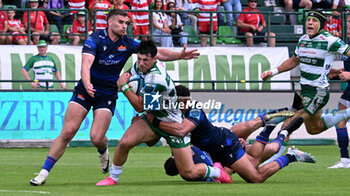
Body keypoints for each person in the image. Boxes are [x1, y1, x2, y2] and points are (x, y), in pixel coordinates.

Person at [29, 9, 200, 186]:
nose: (124, 26)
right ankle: (43, 172)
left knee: (96, 137)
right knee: (68, 131)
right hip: (85, 89)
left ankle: (103, 150)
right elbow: (86, 64)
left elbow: (156, 54)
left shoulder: (127, 43)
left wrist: (180, 55)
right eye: (120, 22)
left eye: (126, 23)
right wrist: (87, 83)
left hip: (107, 93)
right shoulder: (95, 39)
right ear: (109, 22)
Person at [95, 40, 232, 186]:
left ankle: (217, 171)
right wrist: (123, 83)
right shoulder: (139, 66)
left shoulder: (156, 79)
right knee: (125, 142)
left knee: (188, 173)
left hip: (171, 123)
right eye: (139, 59)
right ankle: (113, 178)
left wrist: (124, 86)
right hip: (152, 117)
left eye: (145, 60)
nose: (141, 63)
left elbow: (140, 105)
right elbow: (127, 79)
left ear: (155, 59)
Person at [148, 85, 315, 183]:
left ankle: (288, 152)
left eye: (182, 102)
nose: (179, 105)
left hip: (225, 146)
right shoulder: (173, 113)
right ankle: (279, 130)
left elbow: (181, 130)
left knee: (255, 176)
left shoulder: (195, 110)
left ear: (187, 101)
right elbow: (154, 136)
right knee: (260, 152)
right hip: (218, 145)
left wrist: (153, 121)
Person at [261, 11, 350, 154]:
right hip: (304, 90)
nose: (309, 22)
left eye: (314, 20)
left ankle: (271, 160)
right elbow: (294, 61)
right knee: (314, 129)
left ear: (321, 24)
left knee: (290, 122)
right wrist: (274, 72)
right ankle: (346, 113)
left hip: (319, 92)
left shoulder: (330, 41)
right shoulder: (303, 39)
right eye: (308, 20)